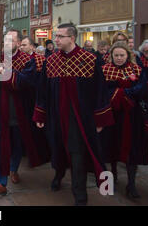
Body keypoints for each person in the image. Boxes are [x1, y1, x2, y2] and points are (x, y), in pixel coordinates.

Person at [33, 23, 114, 206]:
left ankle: (80, 195)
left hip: (79, 118)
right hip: (55, 117)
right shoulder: (50, 61)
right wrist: (40, 114)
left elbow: (100, 90)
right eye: (56, 36)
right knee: (57, 149)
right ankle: (58, 175)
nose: (56, 39)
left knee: (78, 155)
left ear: (72, 38)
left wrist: (100, 118)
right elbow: (43, 90)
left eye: (60, 36)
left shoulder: (90, 59)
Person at [0, 29, 50, 196]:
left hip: (18, 112)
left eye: (11, 40)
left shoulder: (26, 60)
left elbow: (24, 83)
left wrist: (5, 73)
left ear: (17, 43)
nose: (6, 44)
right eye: (5, 40)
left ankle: (13, 169)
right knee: (0, 146)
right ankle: (1, 182)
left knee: (16, 146)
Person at [100, 41, 148, 199]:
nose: (119, 58)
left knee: (132, 149)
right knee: (109, 148)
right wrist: (118, 94)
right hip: (110, 115)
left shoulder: (136, 69)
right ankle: (110, 180)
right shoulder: (104, 70)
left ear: (128, 55)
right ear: (111, 56)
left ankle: (131, 184)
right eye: (116, 55)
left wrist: (123, 93)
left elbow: (142, 88)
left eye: (122, 55)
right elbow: (100, 91)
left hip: (132, 116)